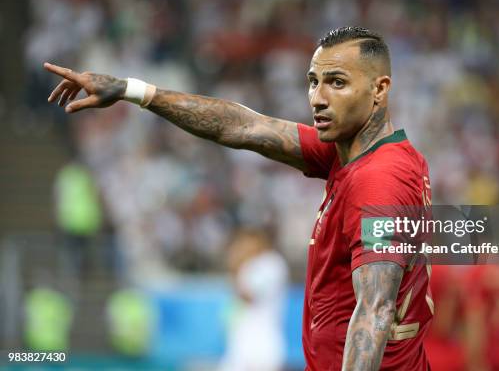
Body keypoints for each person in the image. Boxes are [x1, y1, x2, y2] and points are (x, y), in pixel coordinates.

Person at [44, 26, 433, 370]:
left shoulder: (379, 179)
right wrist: (134, 91)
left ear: (379, 89)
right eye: (313, 81)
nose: (317, 98)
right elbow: (245, 126)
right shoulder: (354, 155)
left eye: (337, 82)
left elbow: (375, 310)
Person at [220, 228, 289, 371]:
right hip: (242, 347)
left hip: (262, 347)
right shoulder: (250, 265)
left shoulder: (271, 263)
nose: (242, 247)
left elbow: (247, 294)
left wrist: (236, 264)